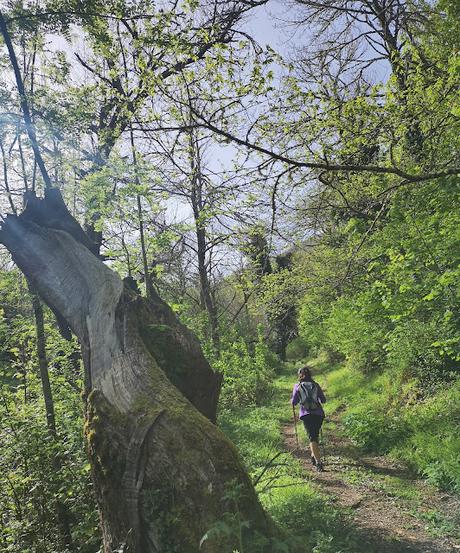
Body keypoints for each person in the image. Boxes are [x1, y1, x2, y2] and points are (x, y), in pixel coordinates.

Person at [291, 366, 327, 472]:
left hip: (306, 414)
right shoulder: (315, 385)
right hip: (319, 414)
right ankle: (313, 456)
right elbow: (323, 400)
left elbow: (294, 402)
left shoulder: (297, 386)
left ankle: (318, 463)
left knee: (312, 437)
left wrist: (294, 399)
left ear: (300, 375)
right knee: (314, 436)